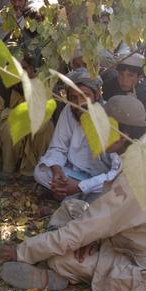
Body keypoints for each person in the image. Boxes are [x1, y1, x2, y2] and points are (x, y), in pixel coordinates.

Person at [0, 95, 146, 291]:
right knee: (71, 208)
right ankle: (57, 247)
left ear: (122, 135)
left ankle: (57, 274)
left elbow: (88, 228)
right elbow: (109, 218)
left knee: (62, 258)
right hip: (140, 236)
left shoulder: (136, 174)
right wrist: (94, 236)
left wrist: (23, 251)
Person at [34, 69, 121, 202]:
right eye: (74, 98)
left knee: (112, 192)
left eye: (85, 96)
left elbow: (116, 172)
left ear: (97, 95)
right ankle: (70, 194)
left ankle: (72, 195)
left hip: (100, 179)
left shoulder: (111, 117)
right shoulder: (69, 111)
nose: (79, 103)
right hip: (73, 174)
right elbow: (57, 148)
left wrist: (81, 187)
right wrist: (57, 172)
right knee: (41, 172)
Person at [0, 53, 54, 182]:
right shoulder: (1, 83)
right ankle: (7, 170)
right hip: (11, 135)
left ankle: (34, 171)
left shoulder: (42, 83)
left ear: (32, 69)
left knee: (45, 126)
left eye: (24, 68)